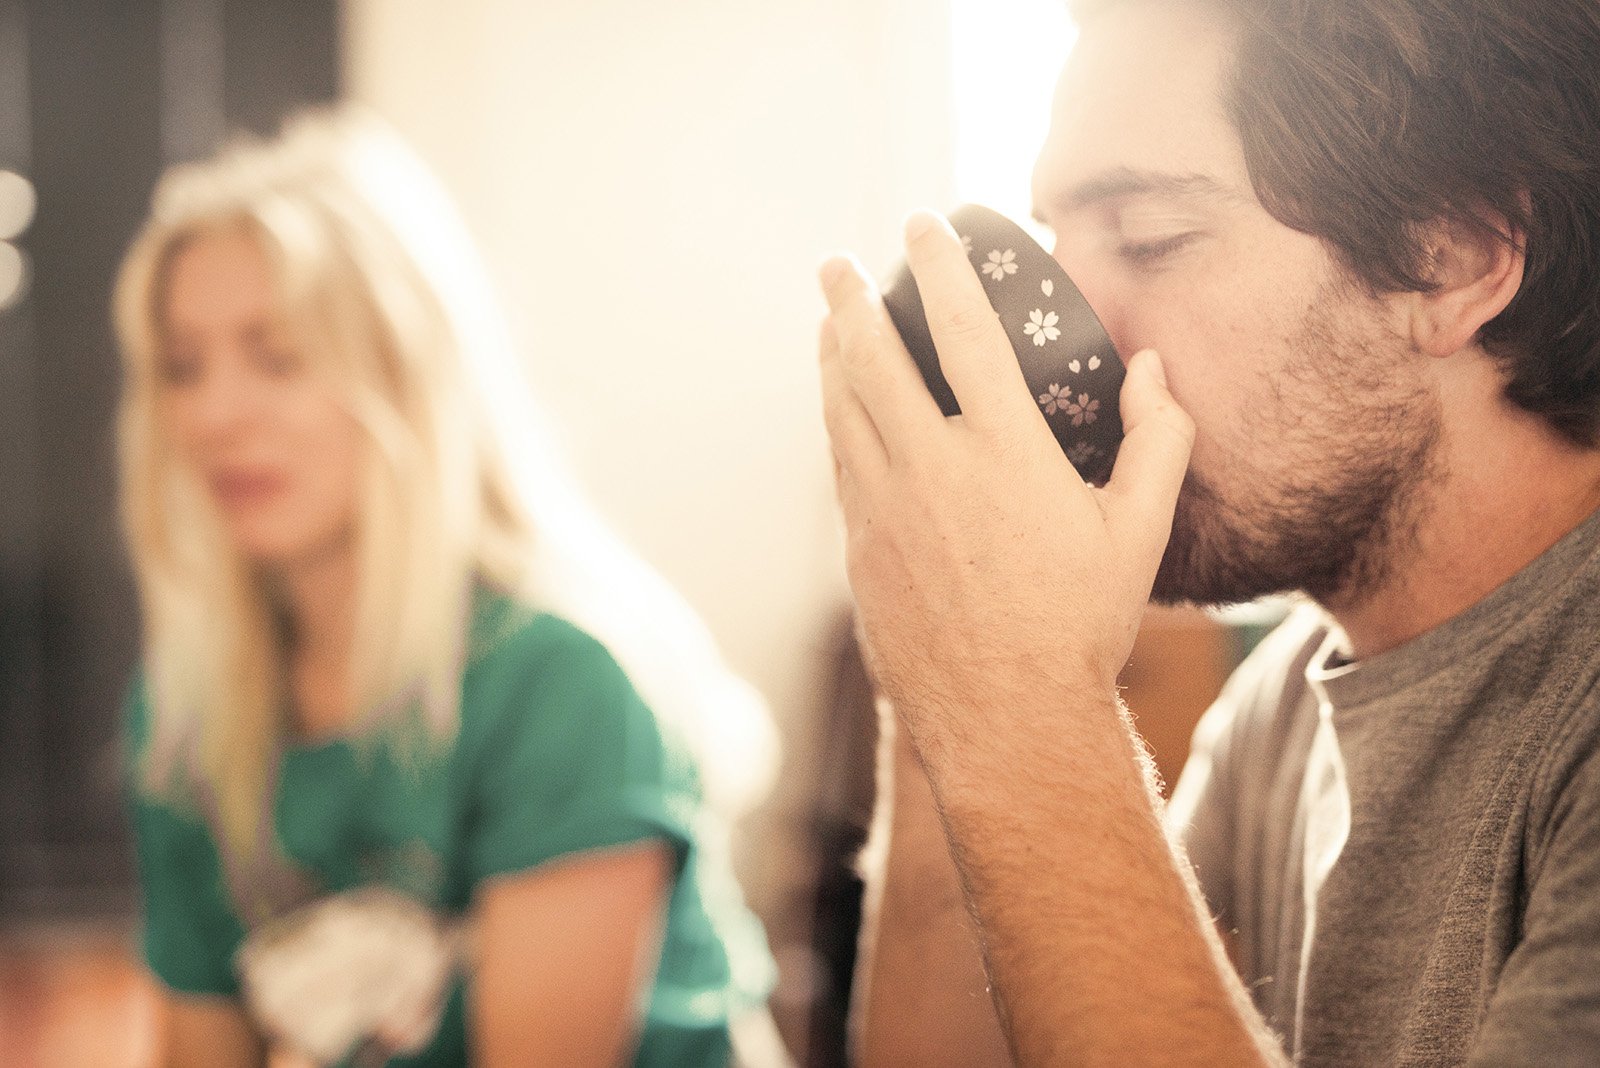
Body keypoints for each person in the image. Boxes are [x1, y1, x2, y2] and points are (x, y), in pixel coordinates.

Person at [818, 0, 1600, 1063]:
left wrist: (1030, 715)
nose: (1072, 323)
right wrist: (947, 687)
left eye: (1151, 238)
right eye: (1055, 244)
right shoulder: (1277, 713)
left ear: (1451, 257)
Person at [115, 109, 782, 1067]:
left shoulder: (565, 683)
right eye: (182, 367)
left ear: (410, 370)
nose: (216, 414)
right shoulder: (185, 711)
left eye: (280, 357)